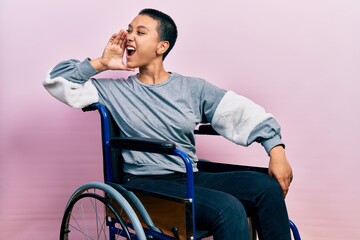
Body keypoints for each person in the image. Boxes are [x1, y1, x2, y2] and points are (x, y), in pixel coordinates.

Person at [43, 8, 293, 239]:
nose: (129, 36)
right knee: (228, 209)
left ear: (161, 46)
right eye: (129, 30)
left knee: (266, 188)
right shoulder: (112, 91)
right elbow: (56, 80)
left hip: (188, 176)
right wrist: (102, 63)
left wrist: (276, 150)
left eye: (140, 32)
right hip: (145, 183)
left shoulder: (193, 88)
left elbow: (241, 112)